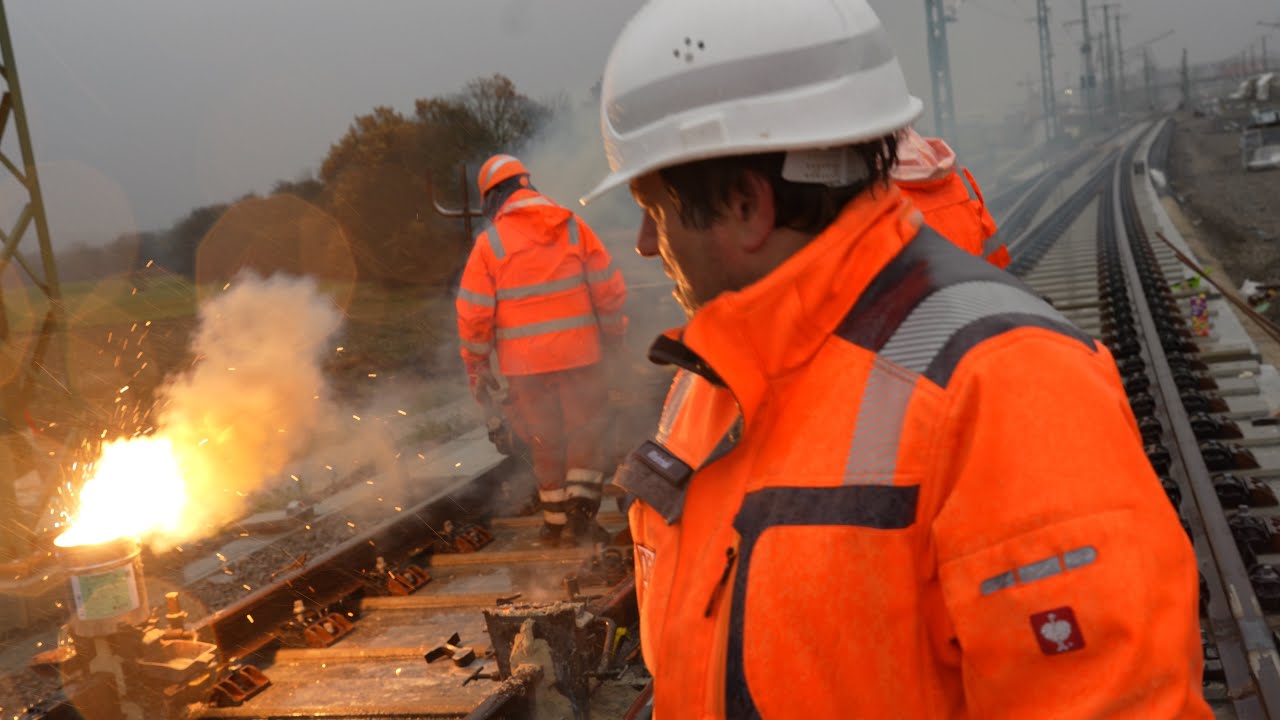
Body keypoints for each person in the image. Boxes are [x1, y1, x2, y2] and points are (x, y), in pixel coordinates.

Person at [579, 1, 1209, 717]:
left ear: (745, 205)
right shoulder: (711, 385)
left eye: (651, 207)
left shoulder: (1008, 386)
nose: (640, 243)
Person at [457, 153, 627, 545]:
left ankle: (553, 526)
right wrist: (615, 342)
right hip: (581, 357)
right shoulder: (572, 228)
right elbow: (609, 291)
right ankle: (581, 520)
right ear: (526, 186)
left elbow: (473, 316)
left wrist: (477, 367)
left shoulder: (491, 244)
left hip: (525, 368)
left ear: (493, 197)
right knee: (585, 434)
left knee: (544, 439)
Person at [893, 127, 1010, 268]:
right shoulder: (955, 175)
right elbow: (991, 245)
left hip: (938, 288)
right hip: (980, 283)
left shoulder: (877, 198)